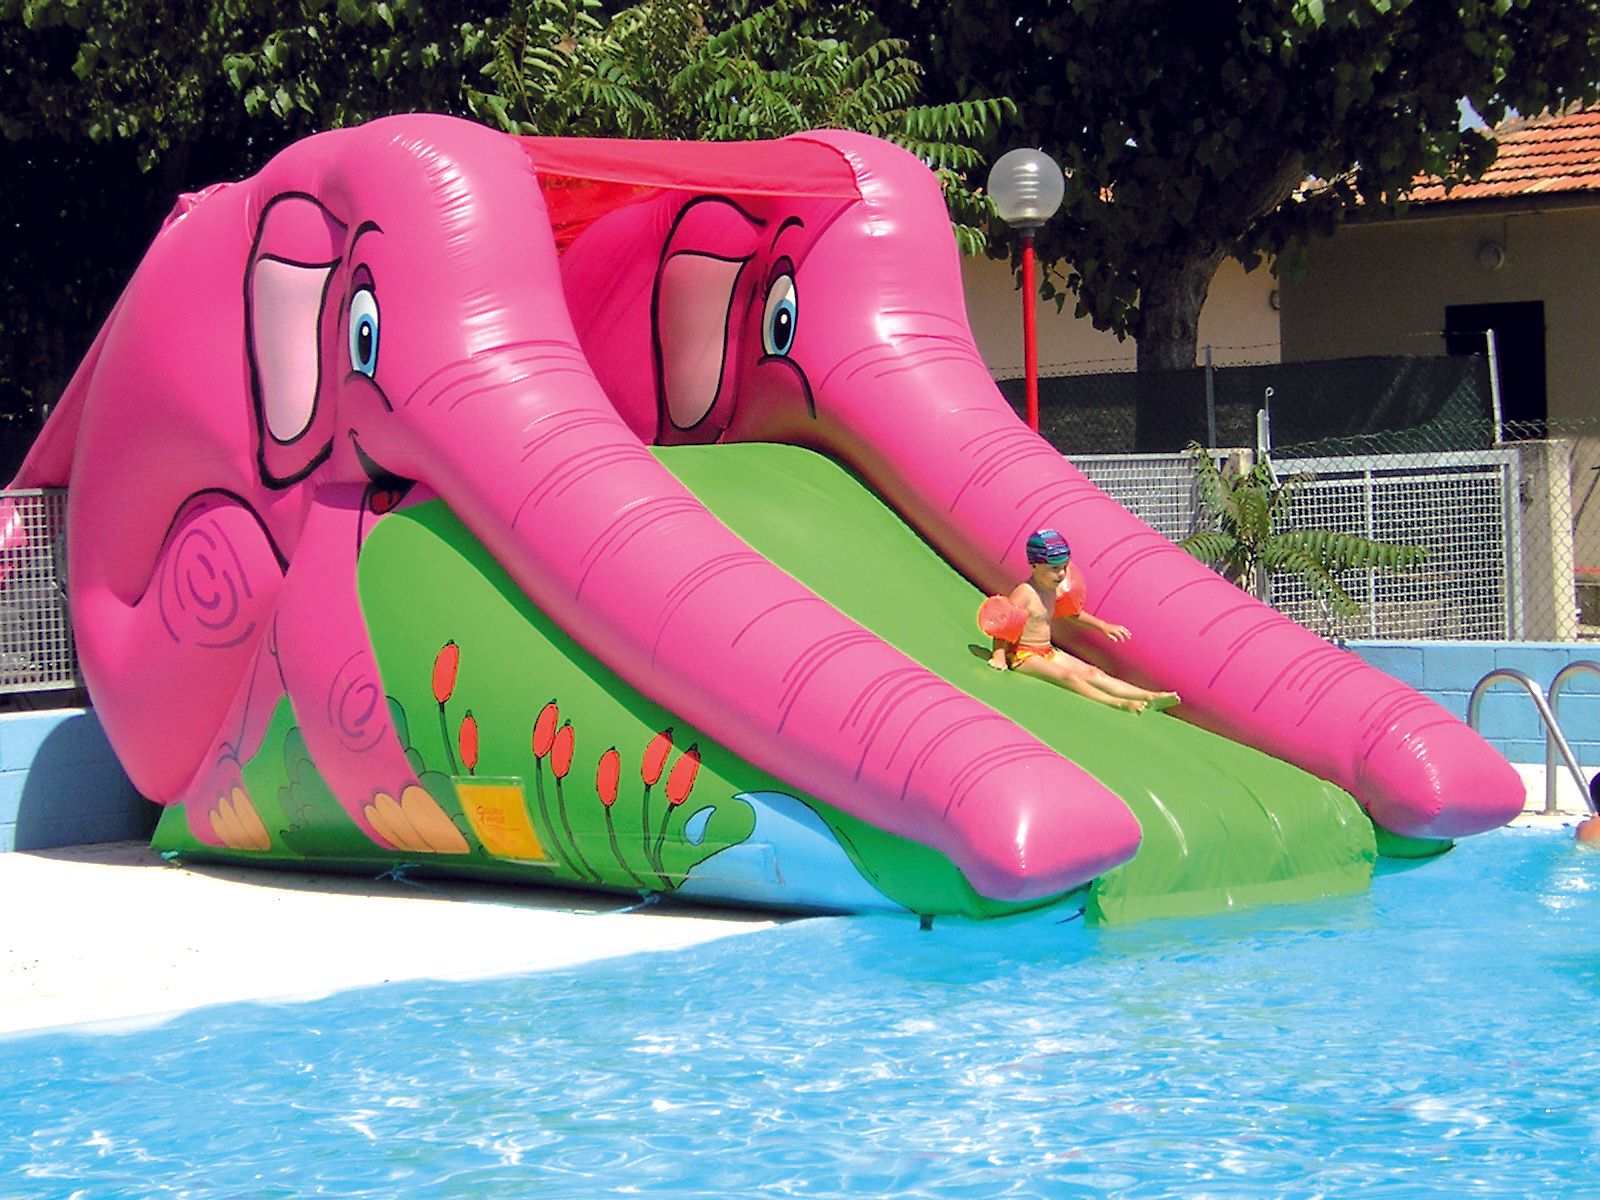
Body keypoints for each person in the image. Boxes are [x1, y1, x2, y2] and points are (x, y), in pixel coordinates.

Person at [986, 528, 1180, 715]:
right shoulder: (1025, 593)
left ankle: (1149, 696)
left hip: (1046, 652)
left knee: (1093, 673)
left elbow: (1071, 614)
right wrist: (998, 656)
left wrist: (1103, 626)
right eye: (1054, 569)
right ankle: (1117, 703)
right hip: (1022, 656)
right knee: (1069, 677)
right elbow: (1006, 624)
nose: (1062, 574)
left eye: (1064, 567)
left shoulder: (1052, 589)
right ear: (1034, 565)